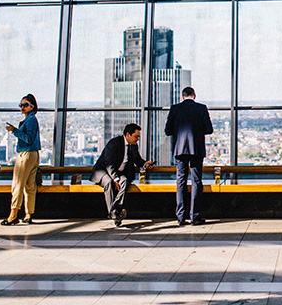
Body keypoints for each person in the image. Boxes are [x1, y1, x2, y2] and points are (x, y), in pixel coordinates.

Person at [165, 87, 213, 226]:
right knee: (196, 181)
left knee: (180, 181)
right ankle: (195, 216)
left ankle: (180, 216)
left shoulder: (175, 109)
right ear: (194, 96)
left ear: (182, 96)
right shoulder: (202, 108)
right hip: (196, 149)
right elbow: (209, 129)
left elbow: (168, 130)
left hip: (180, 149)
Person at [90, 123, 154, 226]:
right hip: (103, 171)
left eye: (138, 137)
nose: (138, 139)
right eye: (136, 136)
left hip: (119, 173)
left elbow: (137, 159)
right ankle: (114, 213)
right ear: (128, 134)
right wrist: (115, 179)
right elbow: (109, 164)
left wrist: (145, 164)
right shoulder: (114, 143)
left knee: (125, 181)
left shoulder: (133, 146)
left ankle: (116, 210)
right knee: (109, 182)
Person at [1, 94, 41, 226]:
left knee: (18, 184)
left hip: (25, 155)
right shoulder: (32, 120)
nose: (22, 107)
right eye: (21, 105)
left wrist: (14, 131)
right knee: (30, 185)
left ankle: (13, 215)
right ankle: (28, 214)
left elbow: (28, 139)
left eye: (25, 105)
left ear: (32, 106)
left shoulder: (30, 120)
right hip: (33, 155)